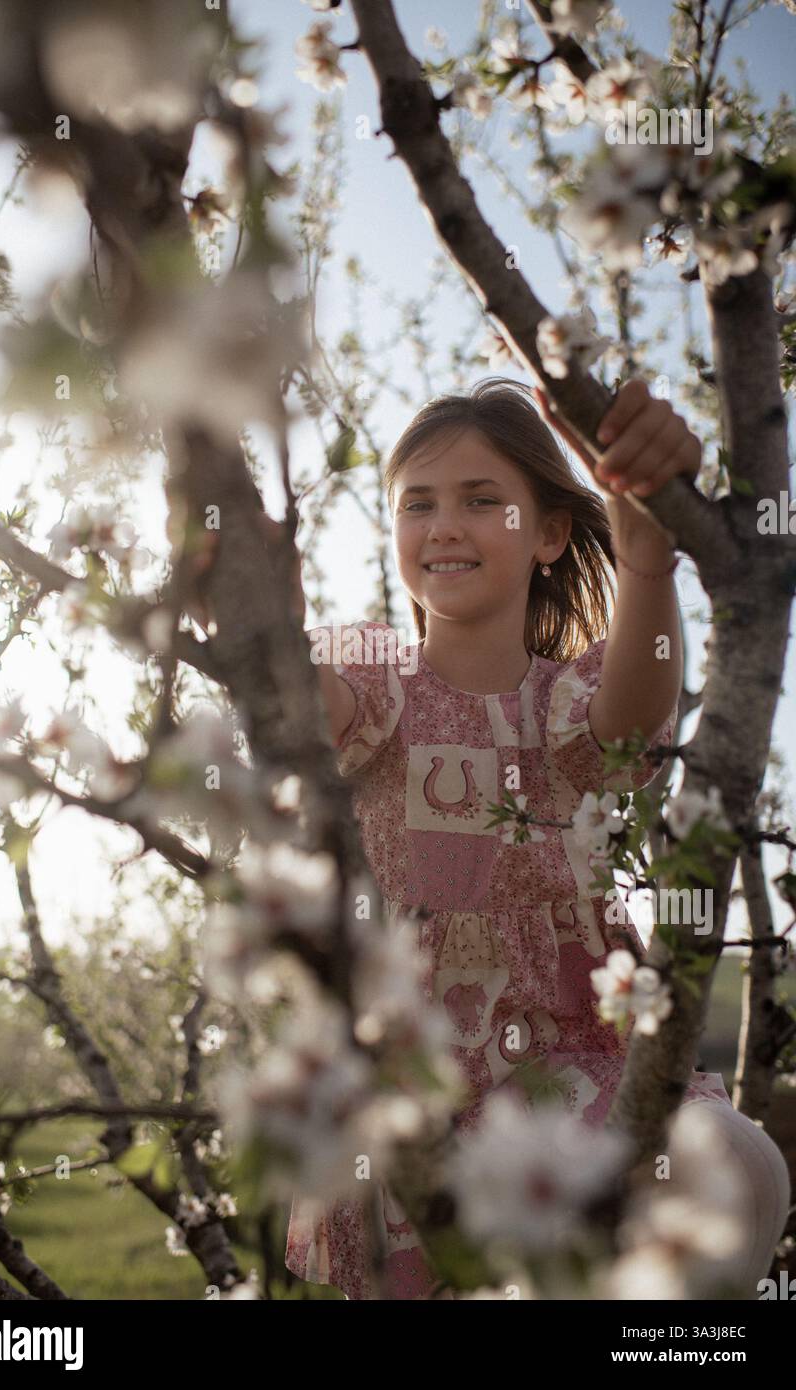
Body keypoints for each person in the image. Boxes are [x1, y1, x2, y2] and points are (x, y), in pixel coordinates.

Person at [275, 376, 791, 1301]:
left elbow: (630, 720)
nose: (443, 525)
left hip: (572, 1070)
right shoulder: (376, 686)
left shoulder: (562, 702)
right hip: (406, 1089)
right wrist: (248, 602)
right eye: (417, 504)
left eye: (483, 501)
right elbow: (295, 698)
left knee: (738, 1165)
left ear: (549, 535)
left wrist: (646, 563)